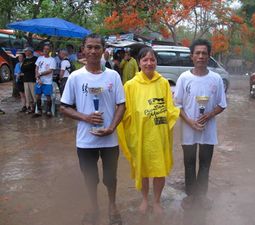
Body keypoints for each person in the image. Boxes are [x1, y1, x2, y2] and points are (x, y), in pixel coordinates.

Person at [60, 33, 125, 225]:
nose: (93, 51)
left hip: (109, 139)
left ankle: (112, 206)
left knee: (111, 177)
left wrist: (112, 127)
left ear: (103, 50)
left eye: (97, 47)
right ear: (83, 50)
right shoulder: (75, 77)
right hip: (85, 140)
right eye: (89, 47)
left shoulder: (113, 76)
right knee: (90, 178)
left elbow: (121, 105)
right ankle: (93, 206)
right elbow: (64, 106)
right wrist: (85, 117)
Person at [118, 47, 179, 214]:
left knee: (159, 169)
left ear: (156, 62)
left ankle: (157, 201)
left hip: (159, 135)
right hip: (139, 136)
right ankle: (145, 199)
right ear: (139, 63)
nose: (149, 63)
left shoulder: (164, 83)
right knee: (142, 169)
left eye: (152, 60)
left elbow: (170, 109)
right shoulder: (130, 86)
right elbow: (124, 112)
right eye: (145, 60)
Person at [174, 39, 227, 209]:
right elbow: (177, 105)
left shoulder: (216, 78)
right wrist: (190, 121)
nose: (201, 56)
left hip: (208, 131)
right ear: (192, 56)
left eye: (204, 53)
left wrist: (208, 115)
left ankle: (202, 197)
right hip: (188, 130)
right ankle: (190, 196)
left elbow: (222, 104)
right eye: (197, 53)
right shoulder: (184, 78)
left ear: (209, 56)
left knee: (205, 164)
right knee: (189, 164)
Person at [34, 44, 56, 117]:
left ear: (49, 50)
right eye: (44, 49)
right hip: (39, 81)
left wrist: (40, 74)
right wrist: (38, 78)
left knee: (48, 96)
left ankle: (48, 111)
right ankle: (39, 111)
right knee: (38, 95)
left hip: (47, 82)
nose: (45, 50)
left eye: (47, 49)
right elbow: (36, 68)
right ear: (43, 49)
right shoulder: (39, 58)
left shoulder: (52, 60)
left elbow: (50, 70)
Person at [21, 47, 38, 114]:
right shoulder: (25, 60)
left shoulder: (35, 59)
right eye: (25, 51)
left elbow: (33, 68)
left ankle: (37, 108)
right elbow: (22, 69)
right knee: (28, 95)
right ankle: (31, 108)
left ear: (30, 51)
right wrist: (28, 68)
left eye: (26, 51)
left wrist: (27, 68)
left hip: (32, 79)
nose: (25, 53)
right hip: (25, 80)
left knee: (34, 95)